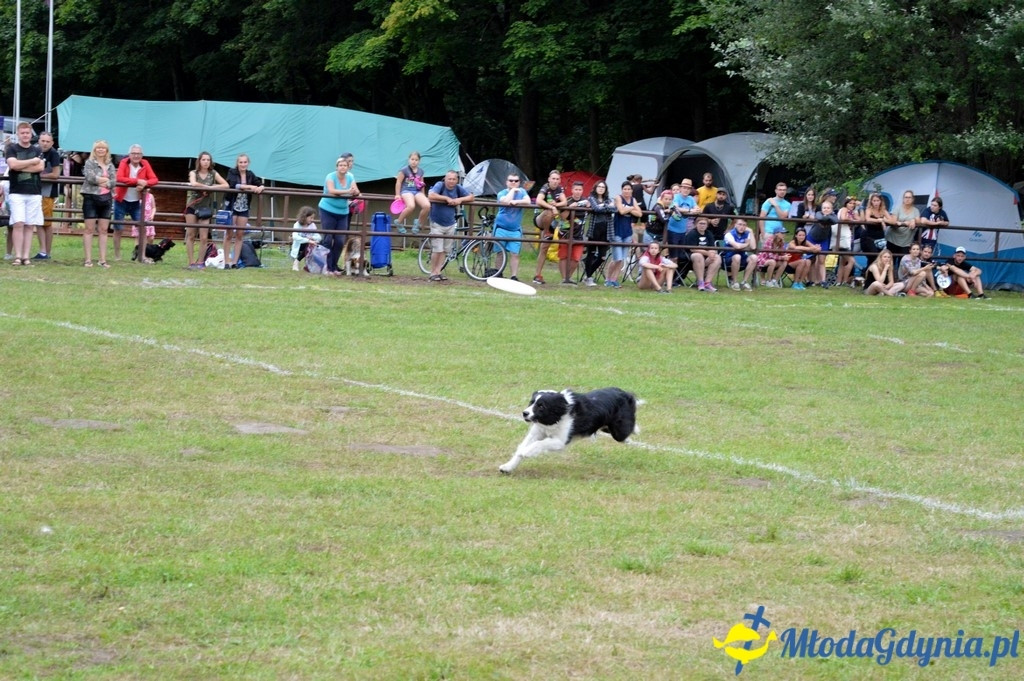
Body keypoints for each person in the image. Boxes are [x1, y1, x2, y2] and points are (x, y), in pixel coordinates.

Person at [4, 122, 45, 267]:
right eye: (22, 133)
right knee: (18, 223)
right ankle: (18, 256)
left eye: (27, 133)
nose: (25, 135)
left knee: (29, 225)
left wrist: (21, 166)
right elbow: (13, 165)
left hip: (34, 192)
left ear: (31, 134)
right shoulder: (11, 148)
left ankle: (26, 256)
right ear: (18, 134)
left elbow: (40, 167)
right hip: (17, 192)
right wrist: (32, 162)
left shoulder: (37, 149)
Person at [114, 144, 159, 263]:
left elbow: (154, 179)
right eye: (133, 153)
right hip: (121, 200)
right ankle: (117, 256)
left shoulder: (145, 163)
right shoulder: (124, 162)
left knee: (142, 228)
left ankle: (142, 256)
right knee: (118, 228)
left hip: (136, 201)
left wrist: (145, 184)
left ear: (142, 155)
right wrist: (137, 182)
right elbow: (120, 178)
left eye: (138, 153)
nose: (136, 156)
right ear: (129, 155)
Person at [185, 151, 229, 269]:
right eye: (203, 159)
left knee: (204, 237)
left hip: (205, 207)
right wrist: (205, 187)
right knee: (191, 235)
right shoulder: (193, 172)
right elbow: (193, 183)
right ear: (199, 161)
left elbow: (226, 185)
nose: (206, 162)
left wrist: (212, 187)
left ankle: (200, 262)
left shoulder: (213, 173)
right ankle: (191, 262)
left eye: (208, 160)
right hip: (192, 205)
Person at [427, 170, 474, 281]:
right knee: (437, 249)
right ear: (445, 179)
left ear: (457, 180)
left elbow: (471, 197)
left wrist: (459, 199)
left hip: (450, 223)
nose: (451, 181)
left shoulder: (458, 188)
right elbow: (431, 195)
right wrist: (446, 198)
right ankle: (432, 272)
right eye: (449, 179)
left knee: (445, 250)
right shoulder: (440, 185)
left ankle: (438, 271)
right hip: (437, 222)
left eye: (454, 179)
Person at [318, 156, 359, 276]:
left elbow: (356, 190)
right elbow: (331, 191)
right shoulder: (330, 176)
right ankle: (326, 266)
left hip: (343, 212)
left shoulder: (350, 177)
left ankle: (334, 266)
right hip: (327, 210)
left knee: (340, 241)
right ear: (337, 167)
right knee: (328, 239)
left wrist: (355, 192)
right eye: (340, 165)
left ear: (348, 167)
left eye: (345, 165)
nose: (343, 167)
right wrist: (347, 191)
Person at [80, 140, 116, 268]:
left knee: (104, 230)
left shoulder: (110, 165)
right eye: (98, 148)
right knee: (89, 229)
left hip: (106, 199)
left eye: (103, 148)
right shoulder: (89, 163)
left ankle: (102, 259)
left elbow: (113, 181)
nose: (101, 150)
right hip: (91, 197)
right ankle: (88, 259)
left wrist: (103, 182)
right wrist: (105, 180)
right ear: (94, 150)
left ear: (107, 151)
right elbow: (90, 178)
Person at [531, 170, 567, 284]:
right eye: (553, 179)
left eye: (557, 179)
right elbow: (539, 200)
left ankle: (537, 275)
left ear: (559, 180)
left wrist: (556, 204)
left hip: (552, 222)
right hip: (540, 218)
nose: (555, 181)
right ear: (549, 179)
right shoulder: (545, 187)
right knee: (548, 212)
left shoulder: (560, 189)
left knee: (544, 249)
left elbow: (565, 202)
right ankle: (546, 232)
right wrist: (552, 207)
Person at [494, 172, 531, 280]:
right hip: (501, 228)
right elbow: (505, 201)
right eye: (511, 180)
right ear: (506, 182)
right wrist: (513, 191)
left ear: (519, 182)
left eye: (516, 181)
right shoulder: (501, 193)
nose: (513, 182)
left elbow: (528, 201)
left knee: (515, 253)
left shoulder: (522, 191)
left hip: (515, 229)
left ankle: (513, 276)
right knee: (500, 252)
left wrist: (516, 201)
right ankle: (498, 273)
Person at [606, 181, 641, 288]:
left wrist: (629, 209)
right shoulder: (618, 198)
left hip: (628, 233)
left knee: (622, 258)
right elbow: (621, 211)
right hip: (617, 231)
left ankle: (614, 279)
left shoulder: (633, 200)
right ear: (622, 190)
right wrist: (631, 208)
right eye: (625, 189)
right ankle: (608, 279)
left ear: (632, 190)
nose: (627, 191)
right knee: (616, 258)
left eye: (629, 189)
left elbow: (639, 213)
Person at [33, 131, 62, 261]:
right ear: (38, 141)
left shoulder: (54, 154)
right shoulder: (35, 151)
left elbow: (56, 174)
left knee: (46, 222)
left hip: (48, 191)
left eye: (47, 141)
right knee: (38, 221)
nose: (44, 144)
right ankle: (43, 251)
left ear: (52, 143)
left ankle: (46, 252)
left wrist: (39, 176)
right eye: (43, 141)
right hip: (35, 191)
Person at [582, 180, 615, 286]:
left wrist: (603, 206)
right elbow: (596, 209)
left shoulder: (608, 199)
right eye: (599, 187)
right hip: (595, 228)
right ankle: (588, 277)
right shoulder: (591, 198)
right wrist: (606, 206)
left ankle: (588, 273)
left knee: (602, 256)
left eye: (603, 187)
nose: (601, 189)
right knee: (591, 253)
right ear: (595, 188)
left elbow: (614, 209)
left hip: (606, 229)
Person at [559, 181, 588, 284]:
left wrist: (589, 206)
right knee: (563, 256)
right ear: (572, 190)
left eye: (580, 190)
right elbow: (562, 217)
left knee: (576, 258)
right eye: (576, 189)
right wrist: (570, 208)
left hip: (579, 233)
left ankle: (569, 277)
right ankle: (564, 278)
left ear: (582, 191)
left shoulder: (586, 201)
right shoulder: (567, 201)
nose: (578, 192)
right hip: (565, 232)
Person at [682, 216, 720, 292]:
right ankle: (700, 282)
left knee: (717, 257)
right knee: (698, 255)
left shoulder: (708, 233)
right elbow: (692, 249)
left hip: (706, 258)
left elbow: (712, 247)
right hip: (691, 258)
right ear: (696, 224)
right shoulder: (692, 233)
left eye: (704, 224)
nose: (702, 225)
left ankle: (707, 283)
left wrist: (712, 253)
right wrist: (707, 253)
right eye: (700, 223)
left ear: (707, 225)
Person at [394, 151, 430, 231]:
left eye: (416, 160)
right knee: (411, 206)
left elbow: (422, 183)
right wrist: (397, 194)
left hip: (417, 191)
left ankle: (418, 222)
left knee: (427, 206)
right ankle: (399, 221)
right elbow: (398, 182)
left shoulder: (421, 171)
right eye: (412, 159)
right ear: (409, 160)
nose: (414, 161)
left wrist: (423, 194)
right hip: (406, 190)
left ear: (419, 161)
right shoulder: (404, 170)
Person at [666, 178, 697, 264]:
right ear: (680, 188)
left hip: (683, 231)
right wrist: (690, 210)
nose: (686, 190)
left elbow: (698, 209)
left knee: (680, 256)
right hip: (672, 230)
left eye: (688, 188)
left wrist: (694, 210)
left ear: (690, 190)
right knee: (673, 257)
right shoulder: (676, 197)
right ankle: (670, 272)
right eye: (684, 188)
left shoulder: (691, 199)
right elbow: (675, 207)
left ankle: (675, 272)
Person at [807, 200, 837, 286]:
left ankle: (823, 281)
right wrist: (828, 218)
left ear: (832, 209)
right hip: (812, 238)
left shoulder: (833, 216)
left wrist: (827, 217)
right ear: (821, 208)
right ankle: (811, 280)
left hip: (823, 240)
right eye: (824, 208)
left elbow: (836, 220)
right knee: (811, 259)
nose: (826, 209)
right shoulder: (818, 213)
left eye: (828, 208)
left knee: (821, 260)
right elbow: (820, 218)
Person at [832, 195, 860, 287]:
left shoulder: (853, 212)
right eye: (850, 203)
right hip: (842, 239)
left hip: (848, 238)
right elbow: (843, 218)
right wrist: (852, 219)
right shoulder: (844, 209)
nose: (852, 205)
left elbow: (860, 219)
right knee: (851, 261)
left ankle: (838, 281)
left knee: (842, 261)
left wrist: (855, 213)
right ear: (846, 203)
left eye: (853, 203)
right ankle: (844, 280)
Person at [724, 218, 757, 290]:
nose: (742, 227)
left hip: (742, 257)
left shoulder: (747, 234)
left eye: (744, 225)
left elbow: (753, 247)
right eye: (740, 224)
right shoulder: (729, 234)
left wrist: (751, 232)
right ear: (735, 225)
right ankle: (734, 282)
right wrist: (746, 244)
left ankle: (744, 282)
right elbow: (737, 246)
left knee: (754, 257)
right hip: (729, 258)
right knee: (737, 256)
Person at [861, 192, 892, 269]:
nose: (876, 203)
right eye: (874, 201)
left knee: (880, 257)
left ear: (880, 201)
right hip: (869, 237)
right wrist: (878, 220)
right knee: (873, 256)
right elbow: (867, 218)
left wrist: (884, 220)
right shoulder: (869, 210)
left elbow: (891, 220)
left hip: (880, 237)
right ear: (871, 201)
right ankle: (868, 272)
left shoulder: (883, 210)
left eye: (877, 200)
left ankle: (873, 273)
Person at [888, 189, 919, 257]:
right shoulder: (897, 208)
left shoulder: (916, 211)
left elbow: (918, 221)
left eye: (909, 197)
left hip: (906, 242)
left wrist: (913, 220)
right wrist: (904, 223)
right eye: (906, 197)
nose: (907, 199)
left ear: (913, 199)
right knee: (891, 260)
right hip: (893, 239)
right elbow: (893, 221)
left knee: (903, 261)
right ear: (903, 198)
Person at [290, 205, 321, 271]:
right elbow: (295, 236)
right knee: (308, 244)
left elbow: (318, 236)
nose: (312, 220)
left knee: (315, 244)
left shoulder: (312, 225)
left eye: (313, 218)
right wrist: (308, 240)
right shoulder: (297, 224)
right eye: (311, 218)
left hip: (310, 244)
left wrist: (313, 238)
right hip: (299, 245)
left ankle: (310, 265)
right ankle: (296, 262)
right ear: (305, 216)